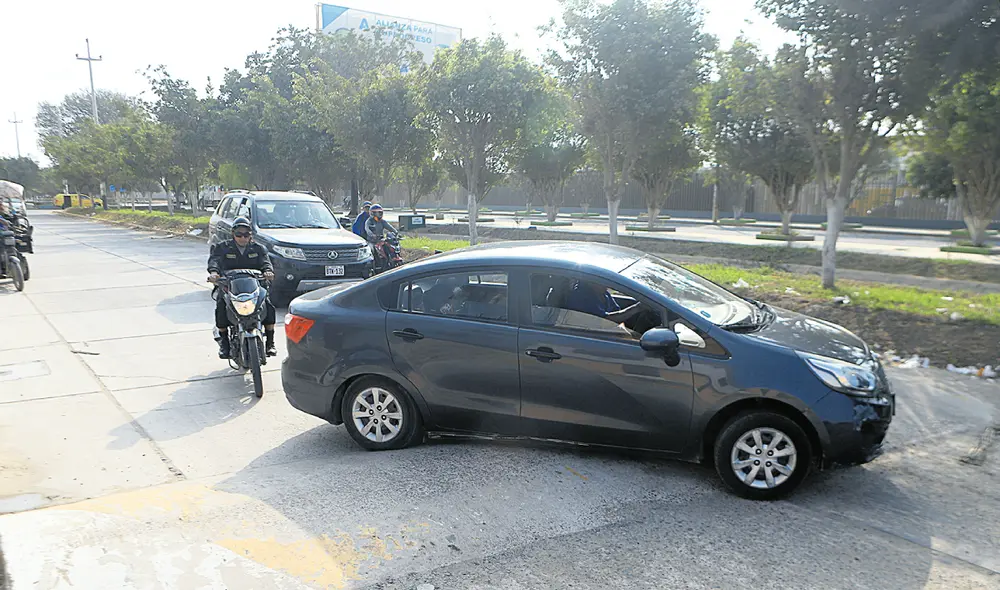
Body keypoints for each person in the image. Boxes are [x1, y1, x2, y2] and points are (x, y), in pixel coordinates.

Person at [207, 217, 277, 359]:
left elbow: (265, 263)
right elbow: (215, 261)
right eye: (239, 234)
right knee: (221, 307)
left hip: (254, 287)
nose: (242, 238)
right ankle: (224, 344)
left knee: (268, 306)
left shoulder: (259, 248)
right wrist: (214, 273)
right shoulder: (222, 247)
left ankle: (270, 343)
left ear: (251, 235)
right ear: (233, 234)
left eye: (246, 234)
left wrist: (268, 272)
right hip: (230, 287)